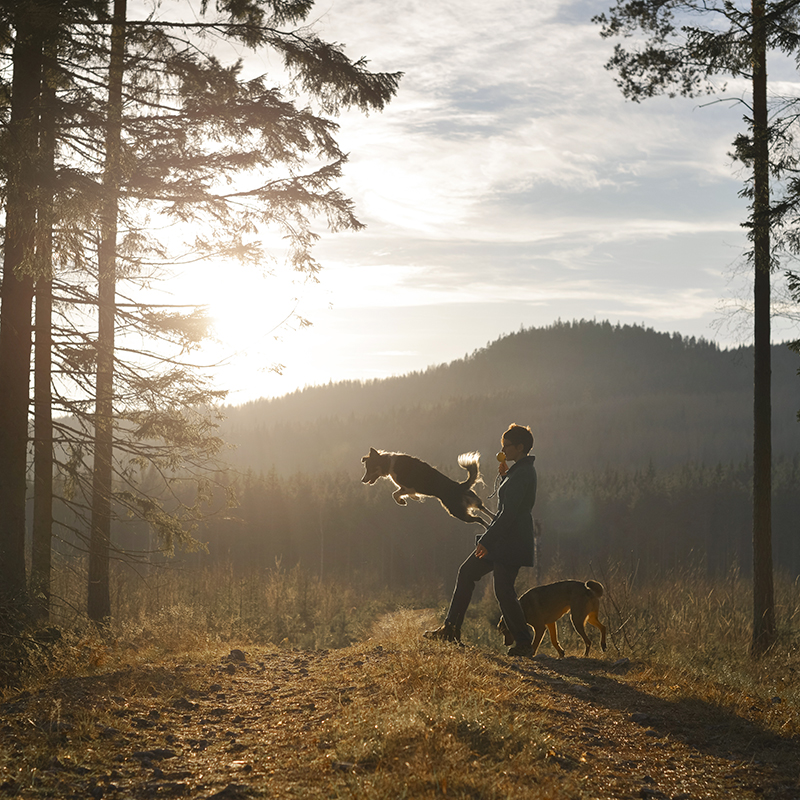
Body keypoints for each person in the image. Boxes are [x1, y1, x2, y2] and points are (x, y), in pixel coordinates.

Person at [425, 423, 537, 656]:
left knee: (503, 590)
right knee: (468, 573)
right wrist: (506, 476)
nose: (503, 451)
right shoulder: (519, 471)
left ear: (520, 447)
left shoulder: (523, 474)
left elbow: (508, 514)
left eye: (506, 447)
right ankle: (451, 630)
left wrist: (486, 540)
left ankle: (524, 641)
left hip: (511, 541)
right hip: (505, 539)